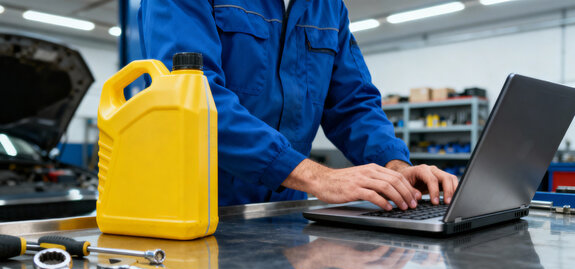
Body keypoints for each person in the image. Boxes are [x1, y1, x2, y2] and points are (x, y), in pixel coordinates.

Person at [138, 0, 458, 209]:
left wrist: (397, 168)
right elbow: (191, 97)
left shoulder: (329, 7)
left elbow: (354, 102)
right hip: (192, 207)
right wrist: (317, 177)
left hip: (283, 213)